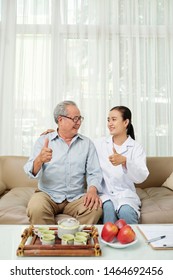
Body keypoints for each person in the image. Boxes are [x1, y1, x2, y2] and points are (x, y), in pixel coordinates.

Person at [24, 100, 103, 225]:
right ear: (60, 120)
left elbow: (94, 172)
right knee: (36, 208)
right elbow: (29, 172)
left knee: (95, 208)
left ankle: (75, 242)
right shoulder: (43, 140)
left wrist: (92, 190)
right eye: (75, 119)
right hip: (48, 195)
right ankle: (49, 242)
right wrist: (39, 159)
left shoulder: (87, 144)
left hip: (75, 198)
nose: (78, 123)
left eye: (80, 118)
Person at [94, 106, 149, 224]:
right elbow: (81, 143)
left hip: (126, 195)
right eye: (108, 120)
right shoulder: (99, 144)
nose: (110, 123)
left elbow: (141, 177)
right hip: (106, 194)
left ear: (126, 122)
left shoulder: (136, 147)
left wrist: (125, 161)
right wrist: (55, 133)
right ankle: (108, 242)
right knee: (108, 209)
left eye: (114, 119)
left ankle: (133, 241)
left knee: (126, 212)